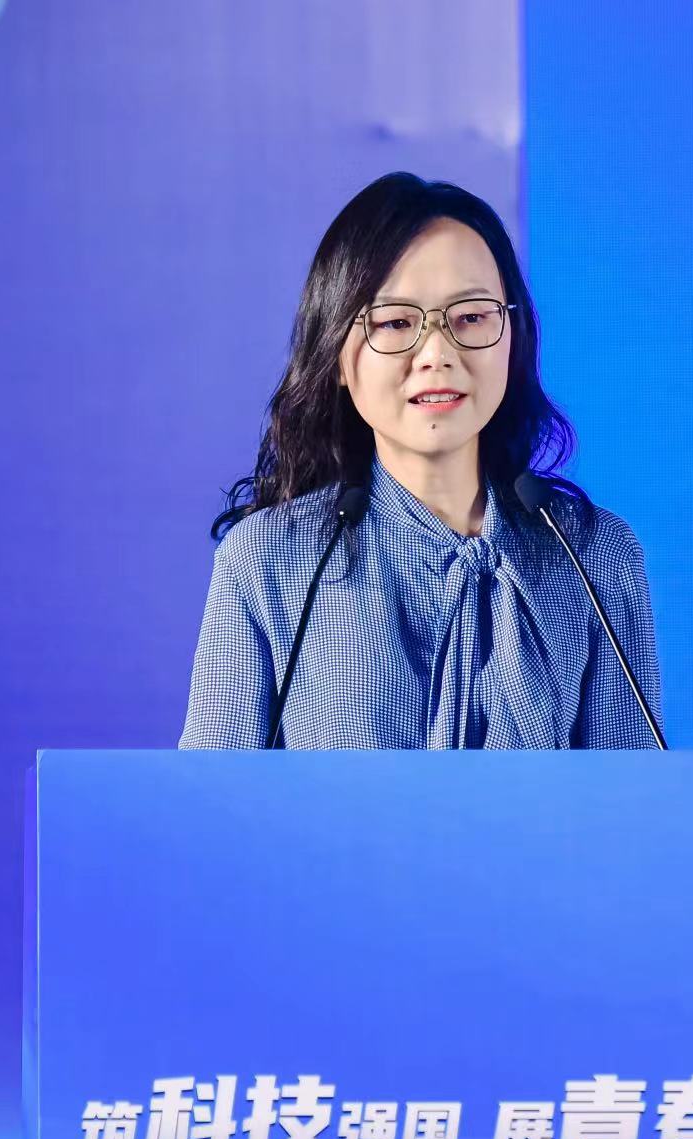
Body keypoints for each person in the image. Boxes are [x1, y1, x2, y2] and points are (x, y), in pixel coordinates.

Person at [179, 171, 662, 750]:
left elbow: (631, 799)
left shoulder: (594, 554)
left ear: (513, 338)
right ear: (336, 354)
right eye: (395, 322)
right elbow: (211, 799)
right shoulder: (269, 559)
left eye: (471, 317)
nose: (437, 354)